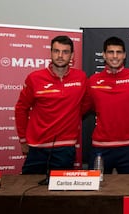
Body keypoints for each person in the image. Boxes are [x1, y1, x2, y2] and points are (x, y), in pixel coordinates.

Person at [15, 35, 87, 174]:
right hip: (37, 147)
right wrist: (23, 140)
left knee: (60, 194)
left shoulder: (81, 78)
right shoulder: (34, 78)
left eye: (65, 52)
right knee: (29, 189)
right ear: (51, 53)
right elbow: (21, 109)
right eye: (56, 51)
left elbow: (86, 103)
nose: (60, 56)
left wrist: (71, 115)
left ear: (72, 55)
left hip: (65, 147)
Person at [82, 36, 129, 174]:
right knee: (97, 191)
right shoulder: (93, 81)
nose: (115, 56)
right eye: (110, 52)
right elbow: (87, 105)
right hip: (101, 147)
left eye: (119, 52)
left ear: (124, 55)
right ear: (104, 55)